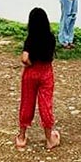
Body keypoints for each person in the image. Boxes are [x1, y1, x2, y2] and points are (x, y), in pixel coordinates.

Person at [15, 8, 61, 150]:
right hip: (46, 72)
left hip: (31, 73)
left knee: (27, 103)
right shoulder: (51, 37)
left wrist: (29, 64)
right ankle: (49, 139)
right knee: (45, 105)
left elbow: (24, 58)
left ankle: (22, 137)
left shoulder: (31, 38)